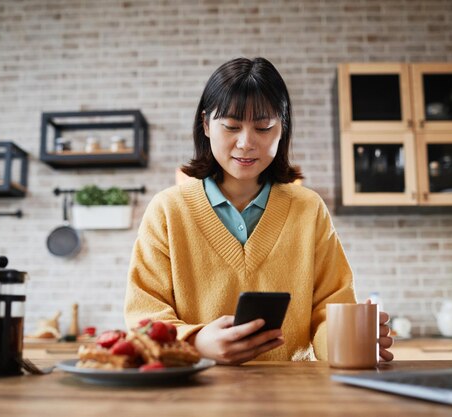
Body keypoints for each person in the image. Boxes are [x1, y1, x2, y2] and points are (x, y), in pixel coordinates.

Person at [124, 57, 394, 365]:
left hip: (293, 397)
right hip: (193, 395)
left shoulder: (308, 208)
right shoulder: (167, 210)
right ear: (206, 125)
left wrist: (352, 337)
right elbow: (143, 317)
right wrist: (197, 342)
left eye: (263, 127)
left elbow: (329, 309)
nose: (246, 142)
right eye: (231, 126)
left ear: (282, 128)